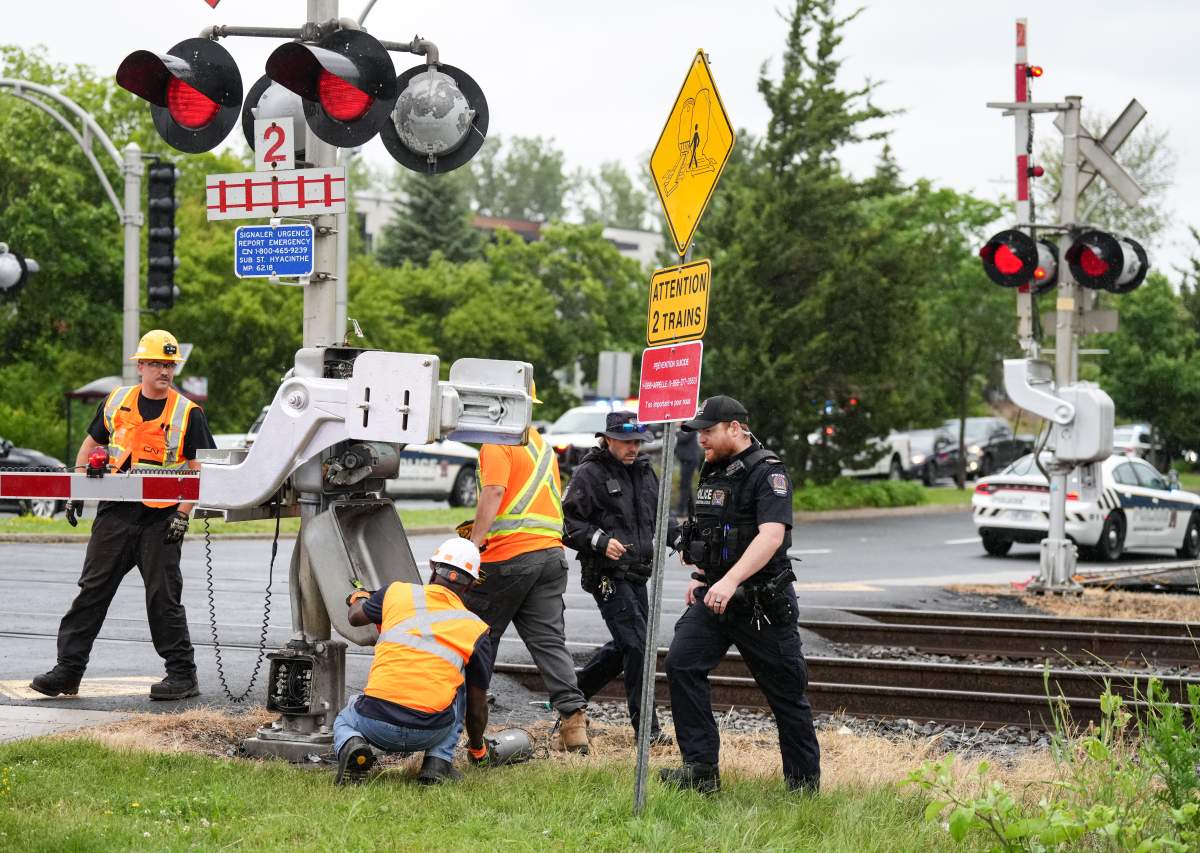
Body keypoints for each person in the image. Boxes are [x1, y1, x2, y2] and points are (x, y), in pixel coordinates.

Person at [30, 330, 214, 701]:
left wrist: (182, 514)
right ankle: (68, 671)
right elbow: (91, 445)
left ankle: (182, 675)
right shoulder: (116, 402)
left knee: (163, 598)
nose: (165, 371)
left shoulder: (187, 413)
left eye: (170, 364)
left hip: (161, 519)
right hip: (114, 514)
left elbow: (200, 469)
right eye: (158, 364)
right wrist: (76, 492)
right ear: (141, 365)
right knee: (92, 592)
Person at [661, 395, 821, 795]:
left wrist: (730, 581)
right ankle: (700, 772)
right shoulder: (713, 468)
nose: (701, 441)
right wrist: (705, 576)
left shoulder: (768, 473)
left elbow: (771, 535)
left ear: (736, 427)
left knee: (786, 695)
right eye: (699, 434)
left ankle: (803, 788)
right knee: (682, 664)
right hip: (716, 598)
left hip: (760, 604)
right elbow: (715, 531)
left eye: (709, 432)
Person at [463, 382, 590, 753]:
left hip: (507, 557)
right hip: (549, 555)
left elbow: (494, 492)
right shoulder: (539, 442)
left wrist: (474, 544)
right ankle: (574, 723)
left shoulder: (497, 441)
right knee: (549, 641)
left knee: (477, 640)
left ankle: (467, 727)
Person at [332, 537, 494, 785]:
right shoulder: (477, 630)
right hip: (430, 731)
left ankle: (354, 746)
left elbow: (355, 618)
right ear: (470, 585)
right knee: (460, 687)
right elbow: (476, 707)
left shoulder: (395, 593)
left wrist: (359, 597)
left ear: (432, 567)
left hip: (374, 723)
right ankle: (438, 762)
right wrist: (477, 750)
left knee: (344, 719)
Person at [563, 411, 678, 745]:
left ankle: (571, 696)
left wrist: (680, 540)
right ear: (608, 439)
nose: (634, 448)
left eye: (638, 442)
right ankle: (648, 733)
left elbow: (659, 517)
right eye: (627, 442)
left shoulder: (644, 472)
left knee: (627, 644)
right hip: (607, 576)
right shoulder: (589, 473)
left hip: (637, 573)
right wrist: (599, 541)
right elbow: (569, 526)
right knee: (638, 646)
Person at [674, 427, 701, 516]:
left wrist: (677, 431)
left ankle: (681, 510)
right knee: (686, 486)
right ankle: (691, 511)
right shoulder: (683, 430)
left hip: (689, 460)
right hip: (685, 460)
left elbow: (683, 439)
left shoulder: (689, 428)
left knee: (684, 486)